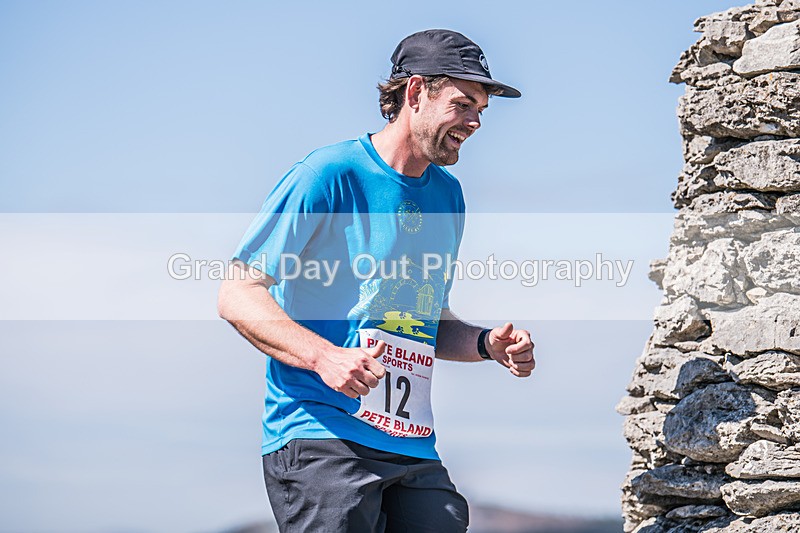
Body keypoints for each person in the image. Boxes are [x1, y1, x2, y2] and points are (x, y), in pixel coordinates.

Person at [218, 29, 535, 533]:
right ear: (415, 93)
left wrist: (483, 343)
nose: (475, 122)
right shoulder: (327, 174)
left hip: (409, 445)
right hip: (321, 435)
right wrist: (325, 357)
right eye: (462, 104)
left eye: (481, 109)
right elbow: (237, 293)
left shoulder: (448, 196)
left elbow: (426, 319)